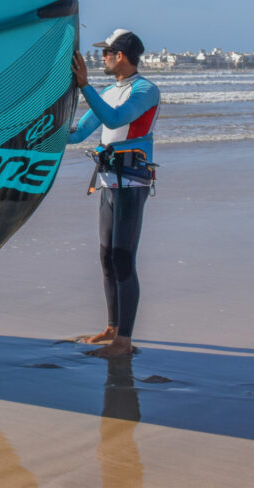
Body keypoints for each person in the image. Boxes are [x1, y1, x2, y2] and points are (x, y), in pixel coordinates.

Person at [68, 29, 160, 357]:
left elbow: (116, 118)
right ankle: (111, 327)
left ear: (120, 55)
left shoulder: (146, 90)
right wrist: (36, 133)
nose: (102, 57)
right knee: (106, 257)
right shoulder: (109, 90)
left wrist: (84, 86)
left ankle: (124, 341)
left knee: (123, 258)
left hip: (132, 183)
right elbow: (79, 134)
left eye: (106, 52)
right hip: (108, 181)